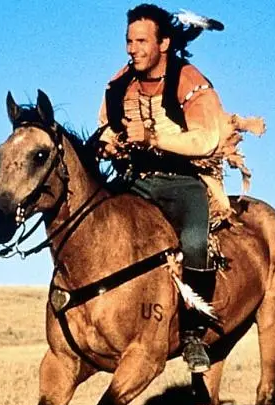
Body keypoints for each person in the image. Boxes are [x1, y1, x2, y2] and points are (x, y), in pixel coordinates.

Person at [96, 4, 236, 373]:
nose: (132, 49)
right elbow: (105, 126)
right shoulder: (119, 83)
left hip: (182, 183)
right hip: (134, 182)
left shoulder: (188, 79)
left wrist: (154, 137)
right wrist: (109, 144)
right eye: (129, 41)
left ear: (164, 43)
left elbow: (206, 139)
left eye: (141, 41)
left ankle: (192, 333)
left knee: (195, 243)